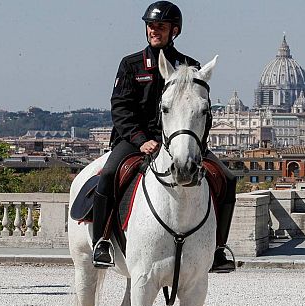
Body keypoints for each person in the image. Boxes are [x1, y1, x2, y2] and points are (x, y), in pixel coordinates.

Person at [92, 0, 236, 273]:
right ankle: (102, 241)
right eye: (150, 25)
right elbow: (121, 108)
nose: (153, 30)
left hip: (181, 141)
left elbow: (201, 111)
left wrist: (196, 144)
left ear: (174, 31)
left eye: (160, 26)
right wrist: (139, 139)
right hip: (136, 139)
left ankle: (218, 248)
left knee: (227, 179)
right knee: (109, 174)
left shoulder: (190, 66)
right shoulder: (131, 65)